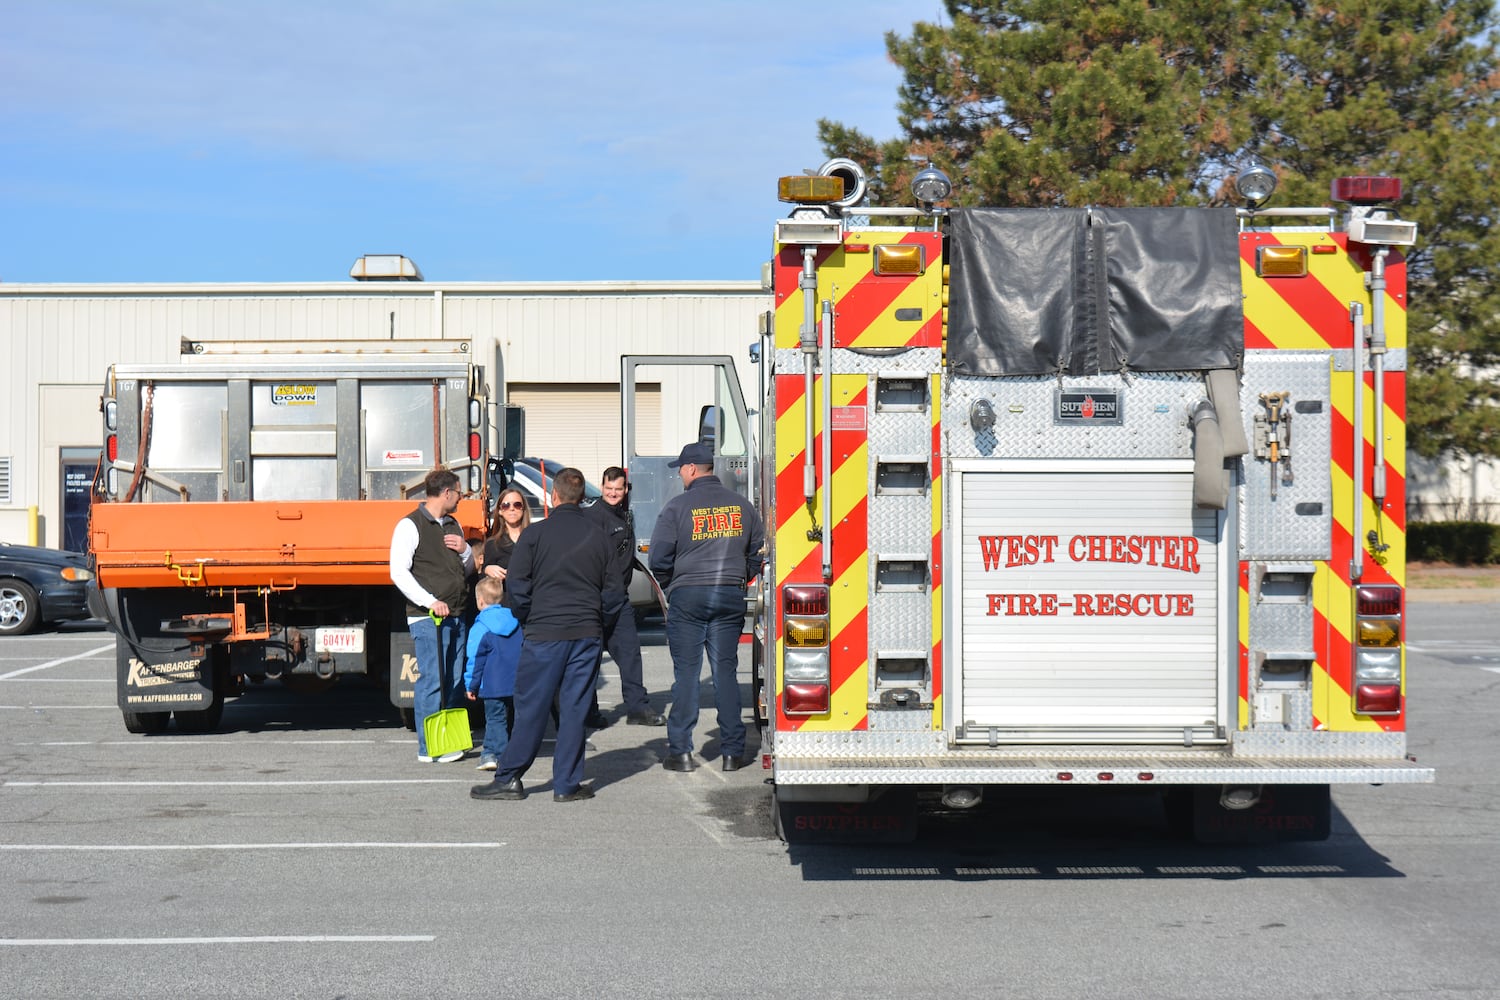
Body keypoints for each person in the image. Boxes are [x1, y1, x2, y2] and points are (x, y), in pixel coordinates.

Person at [471, 468, 613, 803]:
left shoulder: (535, 536)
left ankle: (509, 777)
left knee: (532, 707)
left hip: (544, 633)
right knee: (575, 708)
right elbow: (614, 592)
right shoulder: (600, 536)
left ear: (555, 497)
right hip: (585, 632)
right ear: (581, 498)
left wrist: (529, 618)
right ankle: (566, 785)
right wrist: (596, 621)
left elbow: (517, 586)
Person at [648, 442, 765, 773]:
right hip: (728, 595)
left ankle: (681, 752)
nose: (680, 475)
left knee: (686, 674)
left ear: (690, 470)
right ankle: (731, 751)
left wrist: (673, 585)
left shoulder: (677, 508)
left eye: (681, 470)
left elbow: (659, 557)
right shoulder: (742, 507)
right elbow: (758, 550)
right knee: (725, 673)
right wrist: (740, 577)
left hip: (688, 596)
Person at [389, 468, 474, 763]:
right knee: (432, 679)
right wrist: (429, 602)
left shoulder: (453, 524)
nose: (461, 498)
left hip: (457, 614)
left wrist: (465, 552)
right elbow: (398, 572)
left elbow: (466, 570)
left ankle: (446, 741)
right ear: (447, 493)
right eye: (459, 492)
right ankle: (428, 748)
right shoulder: (410, 525)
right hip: (428, 618)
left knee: (453, 679)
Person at [581, 466, 665, 727]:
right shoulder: (593, 517)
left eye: (618, 489)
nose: (613, 493)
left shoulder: (624, 515)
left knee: (629, 653)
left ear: (625, 489)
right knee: (589, 659)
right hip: (596, 600)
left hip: (620, 600)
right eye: (608, 489)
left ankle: (637, 708)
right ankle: (588, 713)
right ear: (602, 487)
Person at [464, 575, 521, 771]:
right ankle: (513, 752)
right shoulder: (516, 622)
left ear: (480, 601)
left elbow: (475, 659)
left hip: (491, 683)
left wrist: (471, 685)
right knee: (512, 718)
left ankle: (493, 754)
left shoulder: (480, 627)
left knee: (495, 719)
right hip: (516, 681)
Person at [481, 485, 531, 608]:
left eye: (517, 505)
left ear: (523, 508)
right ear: (500, 511)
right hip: (505, 607)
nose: (512, 509)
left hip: (532, 604)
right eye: (506, 505)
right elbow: (483, 580)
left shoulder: (534, 539)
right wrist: (487, 570)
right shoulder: (493, 544)